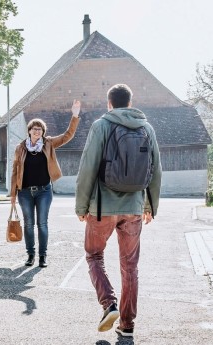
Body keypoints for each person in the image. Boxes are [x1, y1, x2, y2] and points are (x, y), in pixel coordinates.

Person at [75, 84, 162, 337]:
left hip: (102, 207)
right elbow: (155, 170)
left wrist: (82, 206)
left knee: (93, 255)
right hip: (134, 208)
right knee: (130, 267)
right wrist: (150, 206)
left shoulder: (102, 125)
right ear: (130, 102)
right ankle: (127, 325)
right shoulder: (147, 128)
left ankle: (108, 304)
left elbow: (88, 168)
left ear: (109, 103)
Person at [10, 99, 81, 268]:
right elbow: (15, 171)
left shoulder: (48, 144)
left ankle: (42, 257)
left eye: (40, 128)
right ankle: (30, 255)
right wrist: (13, 194)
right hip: (25, 192)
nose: (37, 131)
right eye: (34, 128)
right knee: (28, 224)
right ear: (29, 131)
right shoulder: (20, 148)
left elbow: (67, 136)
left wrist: (75, 115)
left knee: (42, 223)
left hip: (44, 191)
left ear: (43, 132)